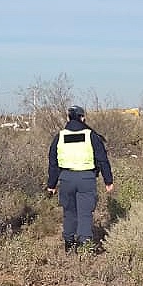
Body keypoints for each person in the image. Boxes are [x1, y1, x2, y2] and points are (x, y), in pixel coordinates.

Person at [45, 105, 115, 252]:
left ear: (68, 118)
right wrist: (108, 181)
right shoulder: (91, 136)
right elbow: (102, 160)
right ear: (82, 118)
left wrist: (51, 185)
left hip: (66, 179)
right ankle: (84, 246)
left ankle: (69, 244)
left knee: (69, 212)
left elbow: (53, 163)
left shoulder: (60, 136)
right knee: (85, 214)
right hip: (86, 179)